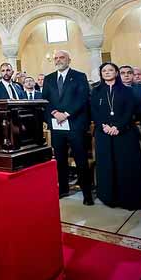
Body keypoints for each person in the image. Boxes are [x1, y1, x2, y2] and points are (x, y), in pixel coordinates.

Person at [90, 62, 141, 210]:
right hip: (103, 133)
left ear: (116, 73)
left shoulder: (127, 91)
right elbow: (94, 111)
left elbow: (130, 110)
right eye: (104, 70)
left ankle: (128, 199)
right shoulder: (96, 91)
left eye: (110, 70)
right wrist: (104, 126)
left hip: (125, 132)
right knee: (107, 165)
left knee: (126, 165)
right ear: (101, 74)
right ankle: (109, 197)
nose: (107, 72)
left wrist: (118, 127)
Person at [41, 50, 92, 203]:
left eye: (62, 57)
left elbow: (82, 98)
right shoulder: (49, 78)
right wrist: (55, 113)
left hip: (75, 124)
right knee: (60, 159)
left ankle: (87, 193)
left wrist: (66, 113)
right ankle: (63, 189)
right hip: (57, 126)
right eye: (56, 58)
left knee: (81, 159)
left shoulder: (79, 76)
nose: (58, 60)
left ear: (69, 60)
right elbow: (45, 100)